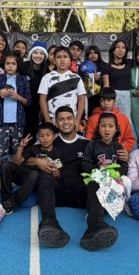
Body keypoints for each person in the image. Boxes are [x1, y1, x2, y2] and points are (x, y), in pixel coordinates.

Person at [36, 107, 118, 252]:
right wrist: (36, 161)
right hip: (58, 192)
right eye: (61, 119)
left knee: (94, 181)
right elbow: (23, 159)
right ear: (56, 122)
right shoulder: (49, 141)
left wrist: (124, 156)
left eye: (69, 118)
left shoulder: (87, 143)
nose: (65, 122)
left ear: (75, 121)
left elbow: (109, 155)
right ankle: (49, 222)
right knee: (45, 176)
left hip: (80, 194)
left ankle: (96, 225)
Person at [0, 122, 55, 214]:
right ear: (38, 137)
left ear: (54, 136)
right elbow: (17, 161)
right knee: (5, 165)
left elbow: (58, 173)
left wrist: (55, 172)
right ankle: (5, 200)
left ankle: (12, 202)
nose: (44, 138)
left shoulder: (57, 152)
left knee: (35, 174)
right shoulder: (33, 148)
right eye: (41, 136)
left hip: (38, 181)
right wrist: (21, 147)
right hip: (25, 176)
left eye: (48, 135)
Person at [0, 54, 31, 163]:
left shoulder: (23, 80)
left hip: (18, 122)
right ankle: (2, 175)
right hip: (2, 122)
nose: (10, 66)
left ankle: (17, 175)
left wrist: (18, 97)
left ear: (18, 66)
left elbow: (29, 102)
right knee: (2, 152)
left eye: (13, 64)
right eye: (8, 63)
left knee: (18, 151)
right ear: (3, 65)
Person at [82, 112, 131, 200]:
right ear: (98, 128)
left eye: (111, 126)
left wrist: (115, 174)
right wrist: (98, 167)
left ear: (116, 129)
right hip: (98, 176)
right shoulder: (92, 145)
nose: (107, 129)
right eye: (103, 126)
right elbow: (85, 165)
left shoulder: (119, 146)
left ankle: (126, 202)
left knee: (126, 181)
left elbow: (124, 166)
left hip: (115, 177)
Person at [38, 46, 87, 129]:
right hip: (53, 121)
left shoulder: (76, 77)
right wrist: (47, 121)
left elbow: (82, 99)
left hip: (71, 120)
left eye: (65, 57)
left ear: (70, 61)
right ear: (54, 60)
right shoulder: (47, 77)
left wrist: (78, 120)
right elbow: (42, 99)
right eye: (58, 57)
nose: (62, 59)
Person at [23, 41, 49, 138]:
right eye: (35, 52)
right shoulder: (23, 67)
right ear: (31, 54)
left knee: (32, 135)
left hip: (38, 109)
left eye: (41, 53)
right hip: (22, 107)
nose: (38, 56)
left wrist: (43, 109)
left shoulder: (47, 71)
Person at [103, 39, 133, 118]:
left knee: (125, 120)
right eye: (118, 47)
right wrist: (108, 100)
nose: (121, 50)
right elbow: (106, 85)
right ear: (113, 50)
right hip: (113, 96)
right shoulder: (106, 66)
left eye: (123, 48)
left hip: (127, 96)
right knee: (112, 119)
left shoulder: (130, 63)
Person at [84, 44, 107, 116]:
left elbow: (107, 84)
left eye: (95, 53)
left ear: (99, 55)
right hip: (88, 97)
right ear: (87, 55)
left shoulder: (104, 67)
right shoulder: (83, 67)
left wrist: (98, 79)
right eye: (90, 53)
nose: (93, 55)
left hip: (100, 97)